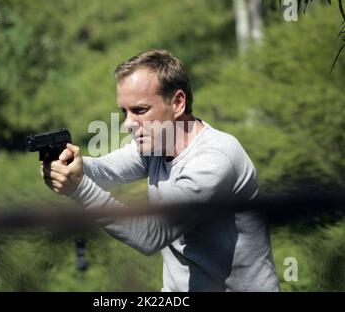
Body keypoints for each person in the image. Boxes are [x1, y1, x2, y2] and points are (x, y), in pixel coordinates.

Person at [41, 49, 280, 292]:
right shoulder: (156, 145)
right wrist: (68, 161)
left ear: (177, 103)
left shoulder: (214, 159)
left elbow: (151, 234)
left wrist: (78, 188)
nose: (128, 124)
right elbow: (105, 171)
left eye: (140, 110)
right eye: (124, 111)